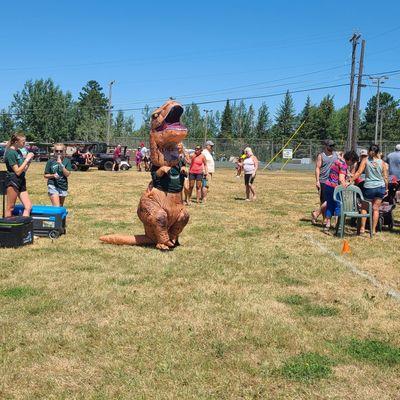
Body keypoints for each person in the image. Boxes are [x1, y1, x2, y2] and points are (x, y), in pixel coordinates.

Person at [352, 144, 389, 235]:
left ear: (369, 151)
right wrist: (386, 188)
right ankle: (373, 230)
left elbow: (359, 172)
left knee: (364, 208)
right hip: (380, 187)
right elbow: (386, 178)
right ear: (378, 152)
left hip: (369, 187)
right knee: (376, 209)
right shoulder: (382, 163)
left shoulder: (365, 160)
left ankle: (362, 228)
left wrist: (350, 180)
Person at [323, 150, 359, 232]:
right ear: (350, 159)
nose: (352, 164)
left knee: (329, 205)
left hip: (328, 185)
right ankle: (339, 226)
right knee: (338, 206)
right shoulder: (344, 165)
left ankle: (327, 224)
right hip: (336, 188)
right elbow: (341, 178)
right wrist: (347, 184)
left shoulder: (337, 161)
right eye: (353, 162)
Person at [4, 132, 35, 217]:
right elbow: (17, 171)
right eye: (23, 142)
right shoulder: (10, 153)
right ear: (16, 142)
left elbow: (23, 170)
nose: (24, 144)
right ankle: (8, 228)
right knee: (10, 207)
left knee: (28, 206)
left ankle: (24, 228)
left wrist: (29, 162)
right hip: (13, 180)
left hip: (21, 180)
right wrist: (26, 159)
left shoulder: (18, 152)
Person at [311, 139, 338, 225]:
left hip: (333, 181)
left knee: (330, 200)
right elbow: (317, 168)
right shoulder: (321, 156)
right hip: (323, 181)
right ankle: (324, 219)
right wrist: (317, 181)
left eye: (333, 146)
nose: (332, 147)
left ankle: (317, 213)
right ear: (326, 146)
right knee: (324, 201)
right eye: (330, 146)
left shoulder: (336, 155)